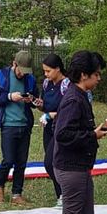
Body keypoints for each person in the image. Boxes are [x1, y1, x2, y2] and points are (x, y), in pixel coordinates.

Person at [52, 50, 107, 214]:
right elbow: (63, 134)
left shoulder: (79, 95)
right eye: (96, 74)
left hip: (79, 166)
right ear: (84, 75)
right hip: (70, 167)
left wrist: (91, 134)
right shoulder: (74, 99)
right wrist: (92, 136)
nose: (99, 78)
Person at [0, 50, 39, 205]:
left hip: (25, 125)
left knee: (22, 162)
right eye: (20, 71)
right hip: (8, 125)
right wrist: (10, 97)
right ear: (14, 64)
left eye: (26, 72)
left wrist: (31, 100)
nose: (22, 75)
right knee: (8, 160)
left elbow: (35, 100)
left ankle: (17, 194)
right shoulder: (1, 76)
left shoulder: (30, 79)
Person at [40, 53, 69, 205]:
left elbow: (69, 110)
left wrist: (52, 115)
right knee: (52, 163)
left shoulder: (66, 85)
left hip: (61, 129)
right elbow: (45, 106)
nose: (46, 74)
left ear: (58, 69)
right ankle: (61, 196)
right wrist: (40, 106)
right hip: (48, 129)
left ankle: (66, 194)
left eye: (48, 71)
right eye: (44, 71)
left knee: (51, 162)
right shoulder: (46, 84)